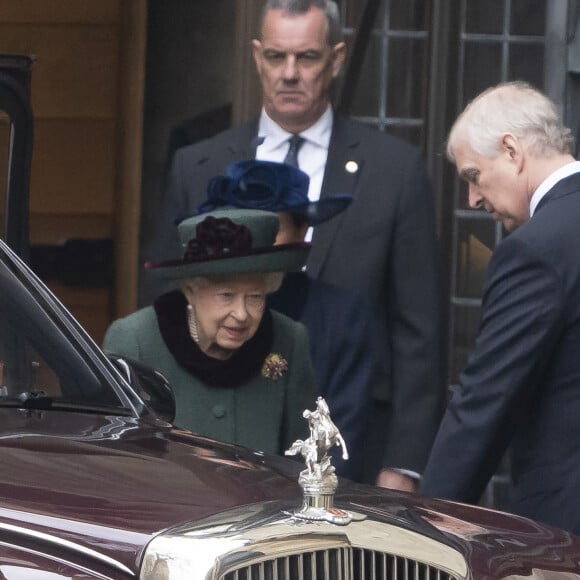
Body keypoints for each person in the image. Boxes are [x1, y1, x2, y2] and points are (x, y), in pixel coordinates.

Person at [144, 0, 443, 491]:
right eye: (277, 57)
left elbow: (419, 332)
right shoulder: (198, 164)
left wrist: (404, 463)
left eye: (306, 58)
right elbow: (162, 305)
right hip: (215, 438)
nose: (289, 74)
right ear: (257, 56)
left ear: (337, 58)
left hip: (353, 439)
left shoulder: (396, 172)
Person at [420, 81, 580, 534]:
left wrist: (425, 524)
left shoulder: (534, 250)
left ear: (512, 150)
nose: (472, 199)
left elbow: (485, 401)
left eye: (473, 175)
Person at [197, 158, 376, 480]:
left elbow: (342, 430)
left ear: (302, 230)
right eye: (240, 225)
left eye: (271, 227)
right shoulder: (188, 311)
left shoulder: (343, 316)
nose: (252, 239)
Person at [104, 208, 316, 456]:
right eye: (227, 295)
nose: (241, 314)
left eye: (255, 297)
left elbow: (305, 457)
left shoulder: (289, 339)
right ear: (191, 291)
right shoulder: (134, 340)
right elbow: (114, 455)